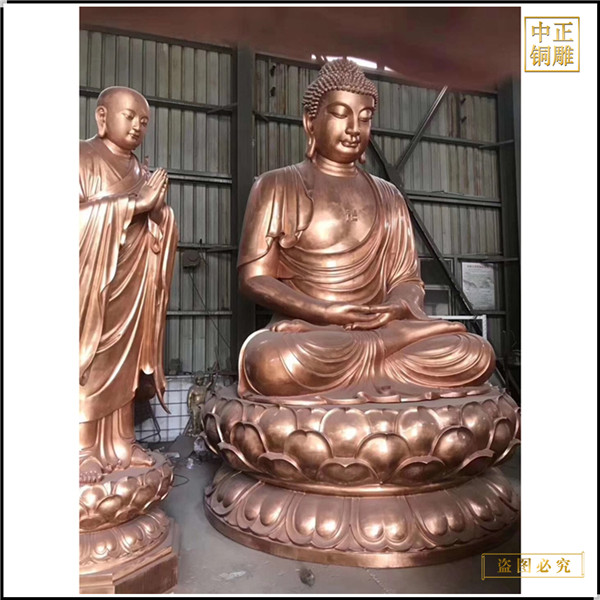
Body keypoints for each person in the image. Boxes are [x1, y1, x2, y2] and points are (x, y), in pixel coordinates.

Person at [237, 59, 495, 401]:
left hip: (384, 330)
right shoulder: (276, 185)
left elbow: (407, 281)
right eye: (340, 113)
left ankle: (373, 369)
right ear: (310, 122)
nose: (353, 128)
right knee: (270, 362)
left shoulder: (389, 196)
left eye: (365, 117)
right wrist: (324, 312)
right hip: (315, 334)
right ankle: (383, 373)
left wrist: (395, 308)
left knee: (474, 352)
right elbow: (255, 278)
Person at [79, 87, 178, 482]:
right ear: (102, 118)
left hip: (133, 285)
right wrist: (135, 205)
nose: (138, 126)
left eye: (144, 121)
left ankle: (122, 441)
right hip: (91, 288)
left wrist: (160, 214)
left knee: (127, 363)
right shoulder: (80, 158)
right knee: (91, 360)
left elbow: (158, 229)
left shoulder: (141, 172)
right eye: (130, 116)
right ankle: (82, 448)